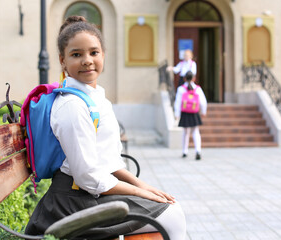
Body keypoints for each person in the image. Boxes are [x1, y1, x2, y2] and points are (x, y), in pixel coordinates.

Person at [25, 16, 186, 240]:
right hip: (71, 206)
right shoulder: (72, 105)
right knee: (173, 216)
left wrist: (144, 186)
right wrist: (140, 192)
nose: (87, 60)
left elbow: (109, 160)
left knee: (170, 208)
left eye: (93, 52)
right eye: (76, 54)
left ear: (103, 55)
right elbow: (88, 177)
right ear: (62, 60)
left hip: (88, 197)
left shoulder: (95, 97)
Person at [174, 71, 207, 160]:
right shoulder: (197, 88)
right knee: (196, 132)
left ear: (184, 78)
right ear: (194, 78)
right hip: (194, 112)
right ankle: (198, 150)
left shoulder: (181, 89)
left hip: (185, 112)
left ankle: (185, 151)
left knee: (185, 132)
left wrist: (177, 114)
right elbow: (203, 102)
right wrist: (203, 111)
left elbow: (177, 102)